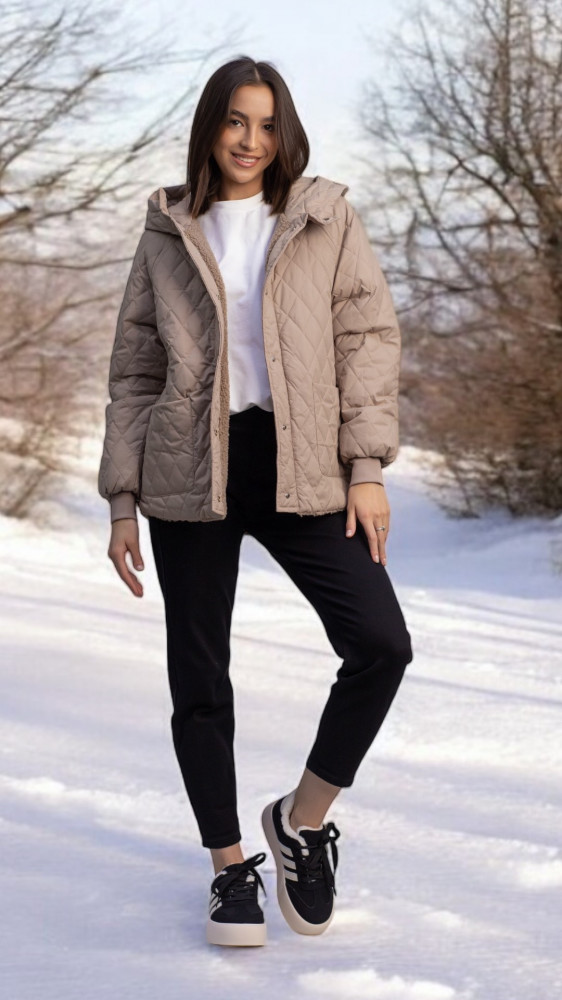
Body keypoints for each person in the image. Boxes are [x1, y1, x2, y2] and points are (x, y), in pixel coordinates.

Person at [98, 55, 414, 949]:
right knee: (199, 678)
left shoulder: (323, 215)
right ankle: (228, 866)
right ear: (211, 126)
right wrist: (121, 499)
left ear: (286, 132)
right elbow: (135, 371)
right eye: (236, 121)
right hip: (187, 470)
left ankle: (300, 821)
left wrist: (365, 464)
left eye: (268, 124)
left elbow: (366, 338)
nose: (251, 140)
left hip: (301, 462)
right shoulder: (167, 227)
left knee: (381, 644)